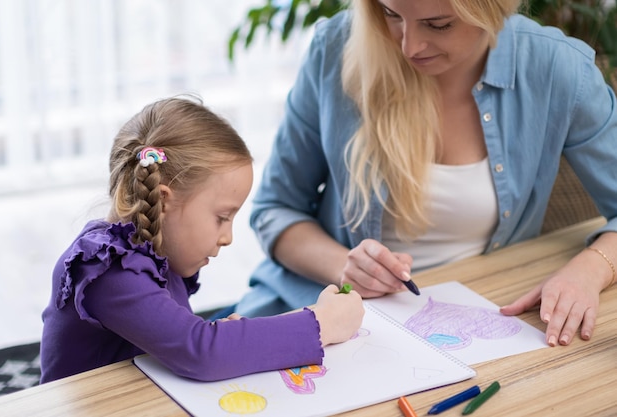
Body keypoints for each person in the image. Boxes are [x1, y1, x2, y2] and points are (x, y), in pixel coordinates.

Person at [233, 0, 617, 350]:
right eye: (391, 14)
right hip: (313, 310)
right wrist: (345, 266)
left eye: (438, 24)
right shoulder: (336, 47)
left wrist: (591, 268)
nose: (409, 47)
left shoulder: (557, 69)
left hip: (469, 326)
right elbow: (275, 209)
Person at [39, 95, 364, 384]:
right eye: (223, 217)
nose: (229, 237)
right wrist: (322, 323)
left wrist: (232, 336)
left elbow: (178, 338)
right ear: (164, 201)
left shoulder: (152, 248)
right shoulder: (107, 270)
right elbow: (200, 351)